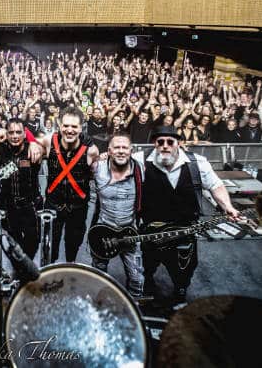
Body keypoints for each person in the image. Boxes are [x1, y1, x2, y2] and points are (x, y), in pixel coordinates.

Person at [141, 126, 241, 303]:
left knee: (184, 266)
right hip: (151, 227)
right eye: (160, 142)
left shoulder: (197, 163)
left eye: (170, 142)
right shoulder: (140, 160)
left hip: (185, 227)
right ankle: (147, 283)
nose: (165, 146)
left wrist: (228, 207)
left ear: (179, 143)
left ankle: (180, 290)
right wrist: (103, 157)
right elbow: (117, 160)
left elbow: (215, 185)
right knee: (147, 263)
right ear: (154, 144)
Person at [35, 107, 100, 262]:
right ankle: (50, 271)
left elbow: (96, 175)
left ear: (81, 127)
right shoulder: (48, 141)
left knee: (73, 246)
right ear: (59, 124)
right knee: (49, 247)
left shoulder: (91, 151)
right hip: (53, 206)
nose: (69, 130)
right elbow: (27, 141)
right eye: (66, 125)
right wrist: (32, 143)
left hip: (78, 208)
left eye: (74, 126)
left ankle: (70, 266)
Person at [91, 133, 145, 297]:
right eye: (116, 147)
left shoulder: (141, 169)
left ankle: (133, 307)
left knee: (137, 280)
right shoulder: (97, 168)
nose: (121, 151)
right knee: (98, 277)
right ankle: (98, 306)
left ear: (131, 151)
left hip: (130, 232)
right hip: (102, 232)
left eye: (124, 147)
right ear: (109, 151)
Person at [0, 118, 42, 259]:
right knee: (13, 242)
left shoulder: (33, 149)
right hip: (8, 206)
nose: (15, 136)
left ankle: (26, 266)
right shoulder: (0, 149)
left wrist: (34, 143)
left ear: (24, 133)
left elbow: (47, 145)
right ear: (6, 134)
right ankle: (17, 267)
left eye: (18, 132)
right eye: (11, 132)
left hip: (30, 205)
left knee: (32, 243)